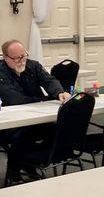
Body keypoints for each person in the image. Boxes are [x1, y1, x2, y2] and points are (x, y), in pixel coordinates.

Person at [0, 39, 71, 183]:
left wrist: (59, 92)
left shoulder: (33, 66)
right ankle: (14, 170)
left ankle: (30, 163)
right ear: (5, 58)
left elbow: (49, 80)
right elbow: (13, 98)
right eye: (17, 58)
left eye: (24, 55)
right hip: (11, 121)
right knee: (25, 133)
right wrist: (41, 100)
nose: (22, 60)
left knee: (56, 129)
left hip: (35, 117)